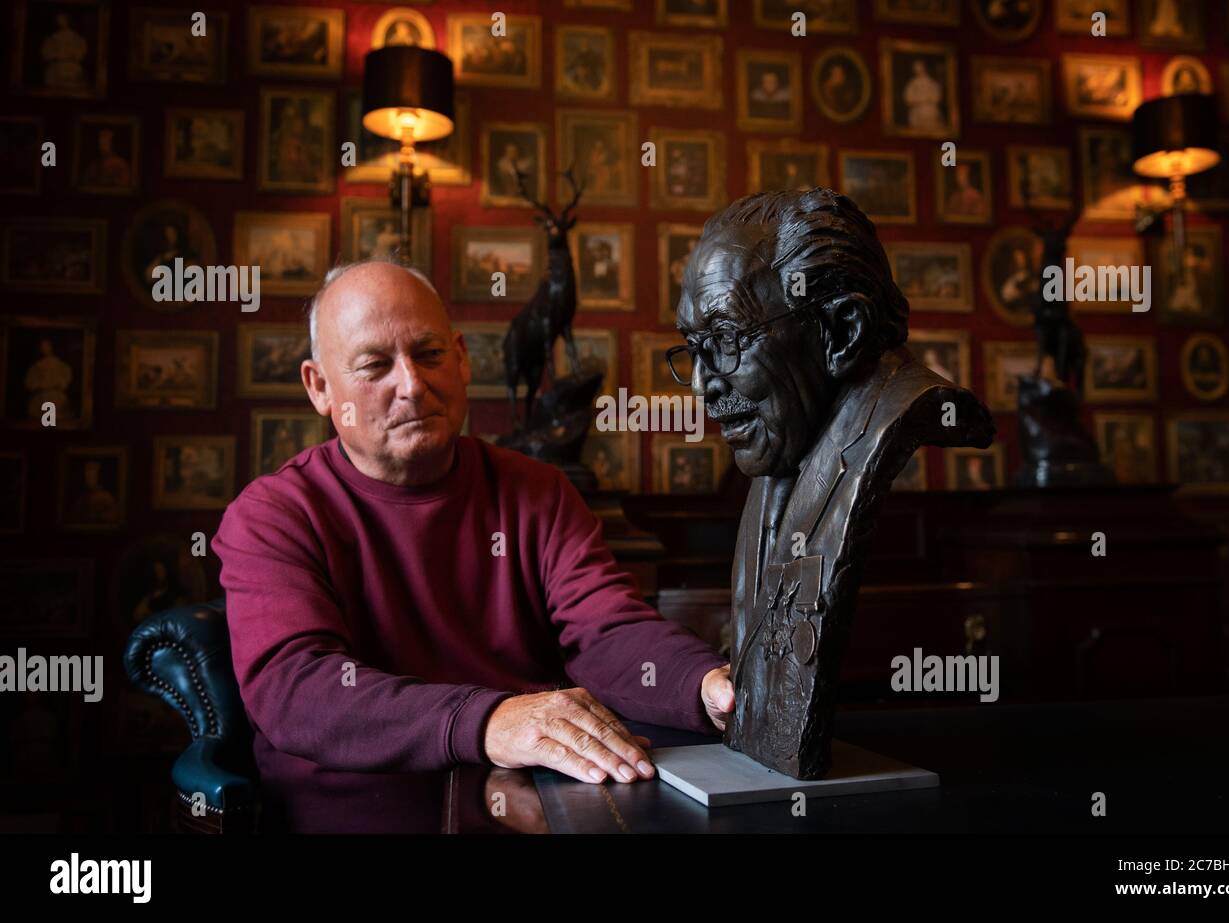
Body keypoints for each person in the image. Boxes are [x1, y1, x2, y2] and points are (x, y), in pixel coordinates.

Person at [213, 259, 733, 832]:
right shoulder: (273, 515)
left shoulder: (537, 491)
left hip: (525, 804)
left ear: (461, 359)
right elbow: (298, 690)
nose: (411, 385)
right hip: (366, 814)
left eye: (430, 354)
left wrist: (704, 683)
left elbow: (608, 629)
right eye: (374, 365)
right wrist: (488, 721)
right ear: (319, 386)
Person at [671, 187, 994, 777]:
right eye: (693, 349)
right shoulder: (785, 441)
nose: (700, 384)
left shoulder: (878, 416)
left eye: (724, 341)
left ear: (842, 330)